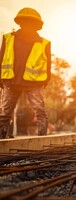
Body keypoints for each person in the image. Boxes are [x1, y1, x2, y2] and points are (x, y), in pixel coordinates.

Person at [0, 8, 51, 138]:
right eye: (25, 22)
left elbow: (48, 65)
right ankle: (1, 140)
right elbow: (2, 58)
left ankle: (42, 139)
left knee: (40, 111)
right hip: (11, 81)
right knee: (5, 113)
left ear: (36, 25)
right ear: (20, 22)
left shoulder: (44, 43)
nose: (27, 25)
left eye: (30, 22)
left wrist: (44, 81)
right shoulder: (8, 38)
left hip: (34, 82)